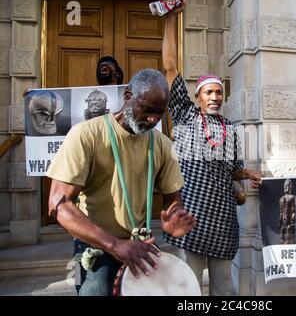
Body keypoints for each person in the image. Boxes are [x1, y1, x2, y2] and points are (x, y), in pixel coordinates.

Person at [46, 68, 196, 296]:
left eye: (159, 113)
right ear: (128, 96)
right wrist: (115, 245)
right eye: (147, 110)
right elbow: (58, 205)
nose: (153, 119)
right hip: (94, 243)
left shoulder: (163, 145)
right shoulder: (86, 135)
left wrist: (174, 217)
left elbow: (172, 200)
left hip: (140, 244)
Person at [161, 0, 262, 296]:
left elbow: (232, 170)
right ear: (198, 96)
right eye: (209, 92)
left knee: (223, 288)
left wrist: (249, 175)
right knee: (188, 288)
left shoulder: (230, 128)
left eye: (219, 91)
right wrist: (169, 18)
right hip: (191, 218)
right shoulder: (184, 114)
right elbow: (169, 68)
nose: (215, 96)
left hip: (223, 221)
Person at [279, 179, 296, 244]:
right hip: (283, 221)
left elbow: (293, 210)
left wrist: (292, 222)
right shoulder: (281, 199)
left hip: (289, 221)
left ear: (290, 186)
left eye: (288, 185)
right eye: (285, 185)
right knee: (282, 237)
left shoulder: (292, 197)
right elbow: (281, 212)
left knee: (288, 237)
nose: (286, 187)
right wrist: (279, 222)